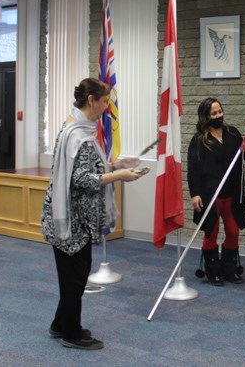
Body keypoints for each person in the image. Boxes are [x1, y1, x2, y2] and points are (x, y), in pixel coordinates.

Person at [41, 77, 144, 350]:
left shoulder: (78, 129)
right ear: (91, 101)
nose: (106, 106)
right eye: (104, 101)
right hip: (73, 220)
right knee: (75, 276)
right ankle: (71, 334)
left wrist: (117, 164)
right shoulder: (78, 135)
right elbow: (82, 179)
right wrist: (118, 175)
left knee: (73, 274)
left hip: (73, 217)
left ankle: (60, 323)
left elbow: (89, 167)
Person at [188, 97, 245, 285]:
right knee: (210, 233)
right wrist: (195, 194)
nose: (218, 116)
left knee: (233, 231)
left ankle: (228, 268)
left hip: (231, 194)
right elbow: (193, 169)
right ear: (205, 117)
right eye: (213, 113)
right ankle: (212, 270)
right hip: (209, 196)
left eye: (220, 111)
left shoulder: (233, 133)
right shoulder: (199, 140)